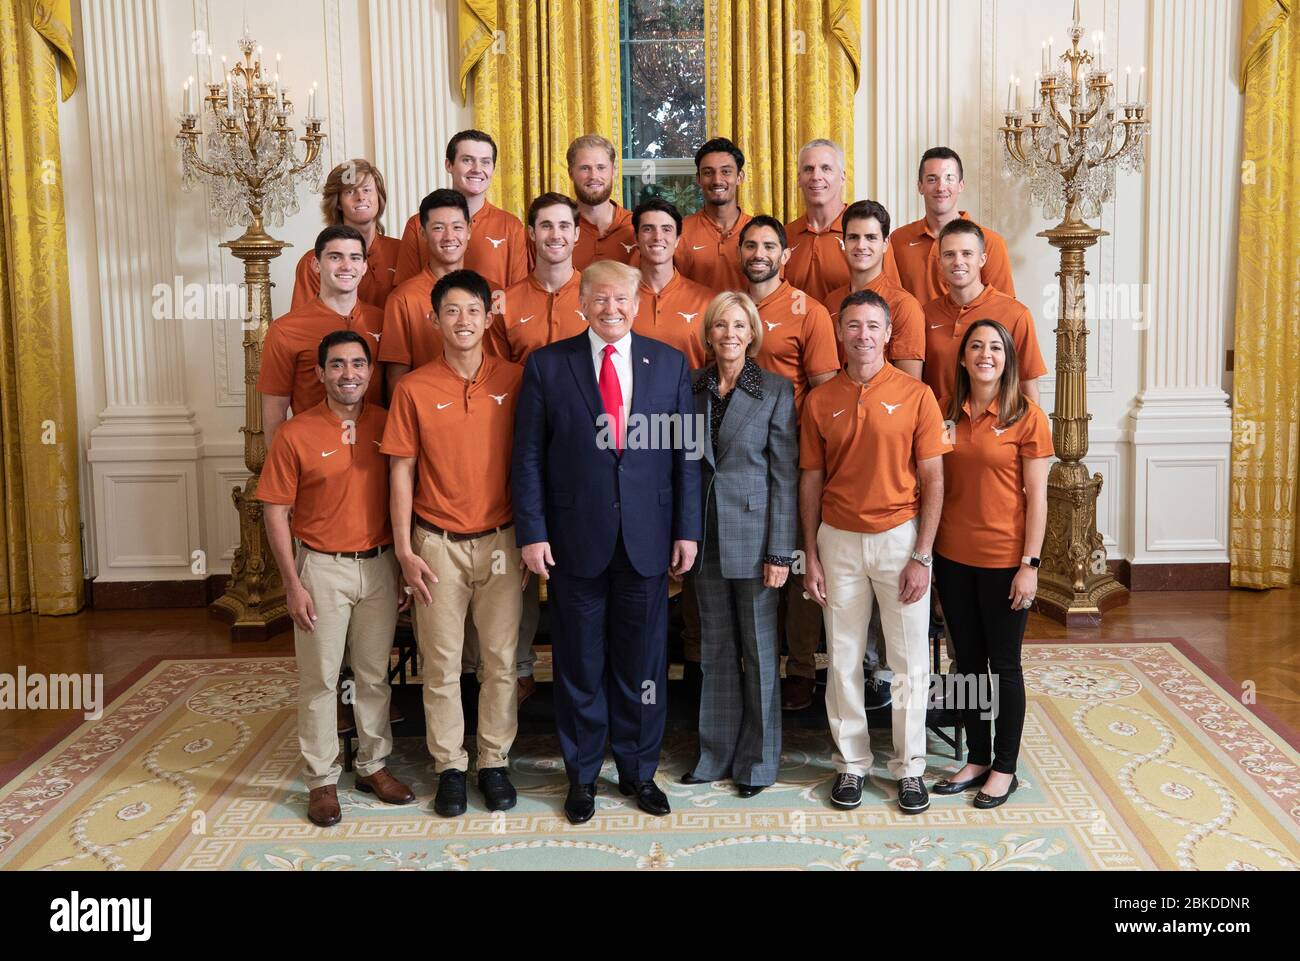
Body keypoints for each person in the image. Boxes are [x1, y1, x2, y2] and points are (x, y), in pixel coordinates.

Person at [512, 259, 702, 825]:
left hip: (648, 542)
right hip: (573, 542)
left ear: (637, 304)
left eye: (622, 299)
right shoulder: (549, 366)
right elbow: (527, 457)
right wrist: (533, 531)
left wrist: (687, 529)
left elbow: (685, 456)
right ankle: (583, 775)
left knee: (643, 666)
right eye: (600, 299)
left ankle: (640, 771)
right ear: (582, 303)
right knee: (579, 664)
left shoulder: (669, 364)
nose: (611, 309)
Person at [801, 290, 951, 814]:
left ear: (888, 334)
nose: (862, 335)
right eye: (853, 326)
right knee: (841, 658)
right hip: (836, 540)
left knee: (908, 661)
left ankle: (910, 770)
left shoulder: (917, 395)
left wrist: (923, 554)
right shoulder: (820, 400)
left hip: (900, 540)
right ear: (840, 333)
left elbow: (934, 478)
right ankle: (851, 765)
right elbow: (810, 479)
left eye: (872, 326)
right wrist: (810, 555)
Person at [383, 269, 526, 817]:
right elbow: (401, 471)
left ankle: (493, 761)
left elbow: (533, 461)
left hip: (502, 539)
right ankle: (449, 766)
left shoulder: (515, 379)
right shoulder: (414, 388)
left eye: (472, 310)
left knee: (499, 660)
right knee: (441, 664)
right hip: (435, 543)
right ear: (434, 319)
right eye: (451, 312)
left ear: (490, 314)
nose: (463, 321)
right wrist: (403, 549)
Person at [258, 330, 415, 827]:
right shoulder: (295, 433)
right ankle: (322, 780)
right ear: (322, 373)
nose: (349, 374)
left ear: (371, 371)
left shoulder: (389, 425)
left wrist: (406, 564)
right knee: (322, 679)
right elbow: (275, 512)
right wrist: (292, 582)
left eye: (358, 364)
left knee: (373, 674)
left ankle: (373, 765)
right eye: (338, 365)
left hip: (381, 564)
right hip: (321, 567)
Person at [931, 320, 1052, 809]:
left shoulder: (1027, 417)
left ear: (1008, 359)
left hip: (1006, 560)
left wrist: (1031, 564)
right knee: (967, 666)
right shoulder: (945, 414)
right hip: (952, 559)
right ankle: (977, 757)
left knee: (1003, 666)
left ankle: (1005, 766)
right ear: (962, 358)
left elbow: (1039, 498)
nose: (985, 354)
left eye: (995, 347)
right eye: (976, 346)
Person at [684, 291, 797, 796]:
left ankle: (758, 762)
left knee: (759, 650)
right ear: (708, 333)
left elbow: (785, 478)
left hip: (755, 542)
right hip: (704, 540)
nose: (729, 334)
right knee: (715, 651)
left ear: (752, 334)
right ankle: (714, 755)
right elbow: (684, 468)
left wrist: (779, 552)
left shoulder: (775, 390)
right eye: (720, 326)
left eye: (738, 326)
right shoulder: (691, 388)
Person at [738, 215, 840, 711]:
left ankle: (800, 666)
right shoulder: (731, 308)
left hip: (795, 458)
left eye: (769, 246)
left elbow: (824, 394)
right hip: (738, 458)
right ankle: (753, 666)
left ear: (785, 255)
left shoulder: (809, 311)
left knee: (798, 560)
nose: (759, 253)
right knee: (751, 561)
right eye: (750, 244)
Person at [259, 226, 384, 450]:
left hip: (374, 454)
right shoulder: (285, 329)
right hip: (313, 455)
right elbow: (274, 413)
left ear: (364, 267)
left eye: (355, 257)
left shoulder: (384, 321)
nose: (346, 266)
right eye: (335, 257)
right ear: (316, 265)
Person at [922, 219, 1047, 405]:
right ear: (939, 262)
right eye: (949, 255)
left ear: (982, 259)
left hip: (998, 429)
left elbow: (1028, 390)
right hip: (941, 427)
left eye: (967, 254)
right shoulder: (925, 314)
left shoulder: (1016, 314)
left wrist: (1032, 431)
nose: (958, 262)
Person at [393, 129, 529, 293]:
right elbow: (406, 294)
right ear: (449, 165)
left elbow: (518, 296)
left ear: (493, 168)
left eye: (485, 162)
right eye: (467, 160)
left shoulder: (512, 226)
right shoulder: (417, 224)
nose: (477, 169)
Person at [882, 146, 1017, 303]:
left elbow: (1004, 309)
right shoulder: (899, 240)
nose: (940, 187)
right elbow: (893, 302)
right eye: (932, 179)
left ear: (961, 185)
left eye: (949, 178)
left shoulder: (991, 242)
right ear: (920, 186)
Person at [379, 189, 471, 395]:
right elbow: (396, 377)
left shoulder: (488, 291)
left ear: (469, 231)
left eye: (457, 227)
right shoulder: (402, 298)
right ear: (422, 233)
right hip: (427, 412)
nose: (449, 236)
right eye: (438, 228)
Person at [821, 199, 925, 379]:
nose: (861, 246)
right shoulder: (831, 302)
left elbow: (910, 390)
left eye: (871, 237)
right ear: (843, 242)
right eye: (853, 237)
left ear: (885, 244)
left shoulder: (904, 306)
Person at [488, 192, 587, 365]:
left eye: (564, 226)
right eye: (546, 226)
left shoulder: (598, 297)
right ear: (532, 233)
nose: (555, 235)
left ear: (576, 234)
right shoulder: (501, 302)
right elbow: (497, 374)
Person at [290, 160, 400, 311]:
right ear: (338, 203)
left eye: (367, 190)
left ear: (379, 197)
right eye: (350, 191)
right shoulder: (313, 261)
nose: (361, 197)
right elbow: (304, 324)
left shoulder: (402, 252)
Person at [631, 197, 714, 370]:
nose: (658, 237)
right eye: (648, 229)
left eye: (666, 229)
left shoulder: (708, 301)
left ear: (677, 240)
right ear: (636, 239)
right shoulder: (618, 300)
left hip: (691, 396)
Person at [676, 137, 752, 292]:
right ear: (698, 179)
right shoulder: (679, 232)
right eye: (708, 172)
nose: (717, 180)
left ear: (740, 177)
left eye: (726, 172)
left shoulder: (759, 232)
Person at [783, 139, 851, 304]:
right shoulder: (784, 236)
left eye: (826, 168)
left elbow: (890, 298)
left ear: (843, 177)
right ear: (799, 179)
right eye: (808, 169)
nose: (816, 176)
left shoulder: (868, 235)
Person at [569, 134, 636, 268]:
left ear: (613, 171)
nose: (593, 176)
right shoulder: (558, 230)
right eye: (585, 168)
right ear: (571, 173)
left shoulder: (636, 227)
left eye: (601, 167)